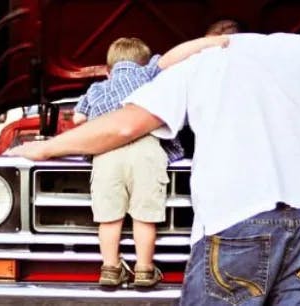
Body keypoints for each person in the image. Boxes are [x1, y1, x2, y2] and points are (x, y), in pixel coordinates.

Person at [5, 33, 300, 305]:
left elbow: (125, 126)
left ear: (212, 38)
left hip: (238, 218)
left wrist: (45, 149)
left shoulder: (201, 63)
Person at [70, 36, 229, 288]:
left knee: (109, 218)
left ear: (108, 71)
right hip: (147, 149)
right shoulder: (150, 74)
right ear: (145, 61)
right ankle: (144, 269)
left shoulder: (96, 89)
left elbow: (78, 119)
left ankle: (110, 268)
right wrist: (216, 41)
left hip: (106, 150)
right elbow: (179, 53)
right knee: (145, 216)